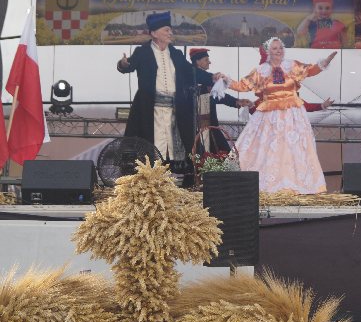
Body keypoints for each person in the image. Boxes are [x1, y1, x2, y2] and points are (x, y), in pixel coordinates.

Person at [226, 37, 337, 193]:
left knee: (293, 149)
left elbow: (310, 70)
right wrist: (225, 80)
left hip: (292, 115)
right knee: (267, 148)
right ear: (268, 52)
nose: (279, 51)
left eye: (280, 48)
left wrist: (324, 63)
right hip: (269, 116)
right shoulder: (261, 71)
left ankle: (294, 184)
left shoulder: (291, 66)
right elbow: (242, 86)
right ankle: (266, 184)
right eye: (275, 48)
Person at [117, 11, 221, 165]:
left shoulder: (176, 54)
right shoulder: (142, 52)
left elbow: (191, 72)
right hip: (150, 108)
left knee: (175, 147)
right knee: (150, 145)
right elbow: (127, 66)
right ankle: (149, 174)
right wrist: (123, 64)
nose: (170, 33)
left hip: (174, 109)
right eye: (166, 30)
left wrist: (211, 77)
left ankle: (173, 172)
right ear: (154, 33)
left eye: (170, 30)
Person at [189, 48, 253, 153]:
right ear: (197, 61)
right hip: (194, 125)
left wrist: (237, 101)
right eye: (206, 59)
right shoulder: (193, 77)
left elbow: (218, 96)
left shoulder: (208, 79)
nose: (209, 62)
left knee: (220, 152)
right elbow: (216, 95)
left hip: (210, 124)